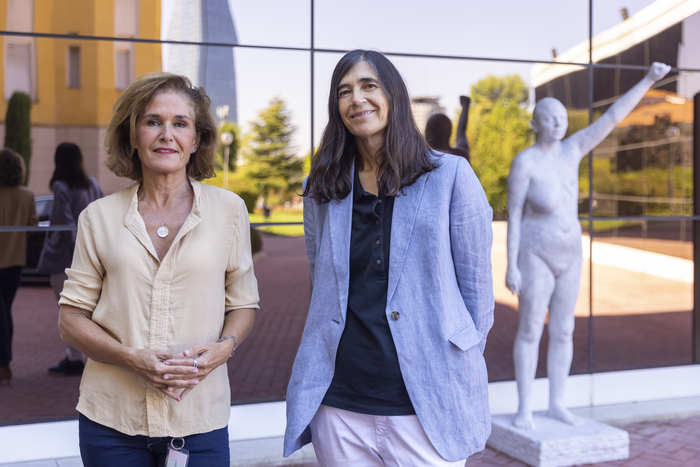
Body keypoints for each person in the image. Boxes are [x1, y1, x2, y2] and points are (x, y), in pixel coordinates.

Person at [284, 50, 494, 466]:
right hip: (339, 404)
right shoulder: (321, 186)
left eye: (368, 85)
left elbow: (477, 296)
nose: (356, 99)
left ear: (392, 94)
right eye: (344, 91)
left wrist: (453, 367)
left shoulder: (450, 177)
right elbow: (322, 284)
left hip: (426, 404)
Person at [57, 73, 259, 466]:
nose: (167, 134)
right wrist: (132, 357)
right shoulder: (97, 218)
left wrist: (224, 349)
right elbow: (70, 320)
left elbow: (244, 304)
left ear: (196, 139)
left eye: (180, 124)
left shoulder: (230, 211)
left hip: (200, 421)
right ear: (132, 136)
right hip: (112, 422)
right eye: (152, 121)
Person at [505, 62, 671, 431]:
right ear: (536, 123)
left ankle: (558, 404)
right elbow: (513, 215)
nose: (558, 124)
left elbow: (612, 117)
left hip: (570, 254)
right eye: (549, 118)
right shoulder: (525, 163)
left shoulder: (573, 150)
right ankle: (524, 408)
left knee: (564, 331)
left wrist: (649, 79)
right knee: (531, 329)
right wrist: (512, 265)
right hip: (535, 253)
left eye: (562, 118)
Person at [38, 142, 103, 376]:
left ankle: (75, 357)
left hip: (67, 256)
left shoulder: (61, 186)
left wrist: (77, 251)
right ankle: (86, 355)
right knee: (90, 307)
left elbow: (63, 223)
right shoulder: (92, 184)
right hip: (93, 252)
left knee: (66, 307)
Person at [0, 149, 38, 384]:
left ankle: (4, 364)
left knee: (3, 313)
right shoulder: (26, 195)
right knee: (5, 311)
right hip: (15, 262)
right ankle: (5, 363)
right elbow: (32, 226)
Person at [425, 95, 471, 161]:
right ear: (450, 133)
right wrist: (465, 105)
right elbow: (461, 129)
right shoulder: (462, 156)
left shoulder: (421, 161)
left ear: (428, 135)